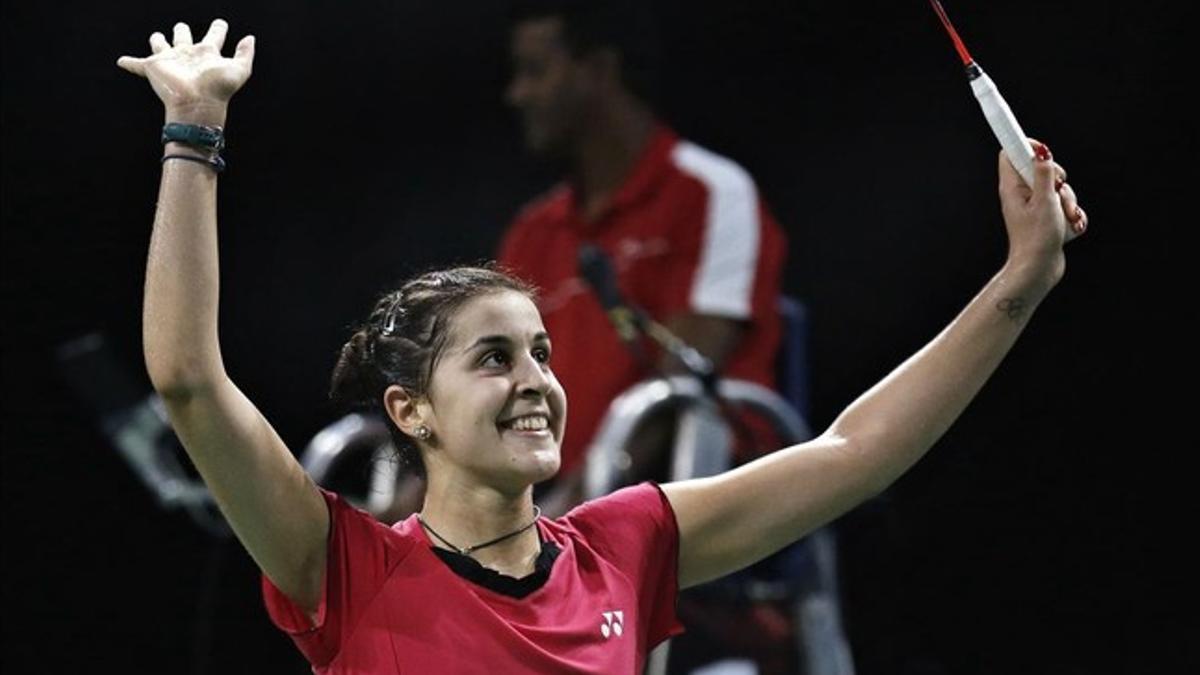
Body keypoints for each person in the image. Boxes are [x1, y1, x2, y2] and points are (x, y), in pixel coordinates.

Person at [117, 18, 1088, 675]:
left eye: (539, 351)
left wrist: (1020, 281)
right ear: (410, 411)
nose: (538, 380)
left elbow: (853, 452)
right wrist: (194, 132)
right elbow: (189, 382)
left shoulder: (623, 548)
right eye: (494, 359)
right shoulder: (345, 567)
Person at [498, 1, 788, 517]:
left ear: (599, 71)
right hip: (550, 510)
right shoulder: (532, 232)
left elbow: (675, 393)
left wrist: (566, 522)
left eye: (535, 71)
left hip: (676, 511)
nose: (516, 95)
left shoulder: (707, 192)